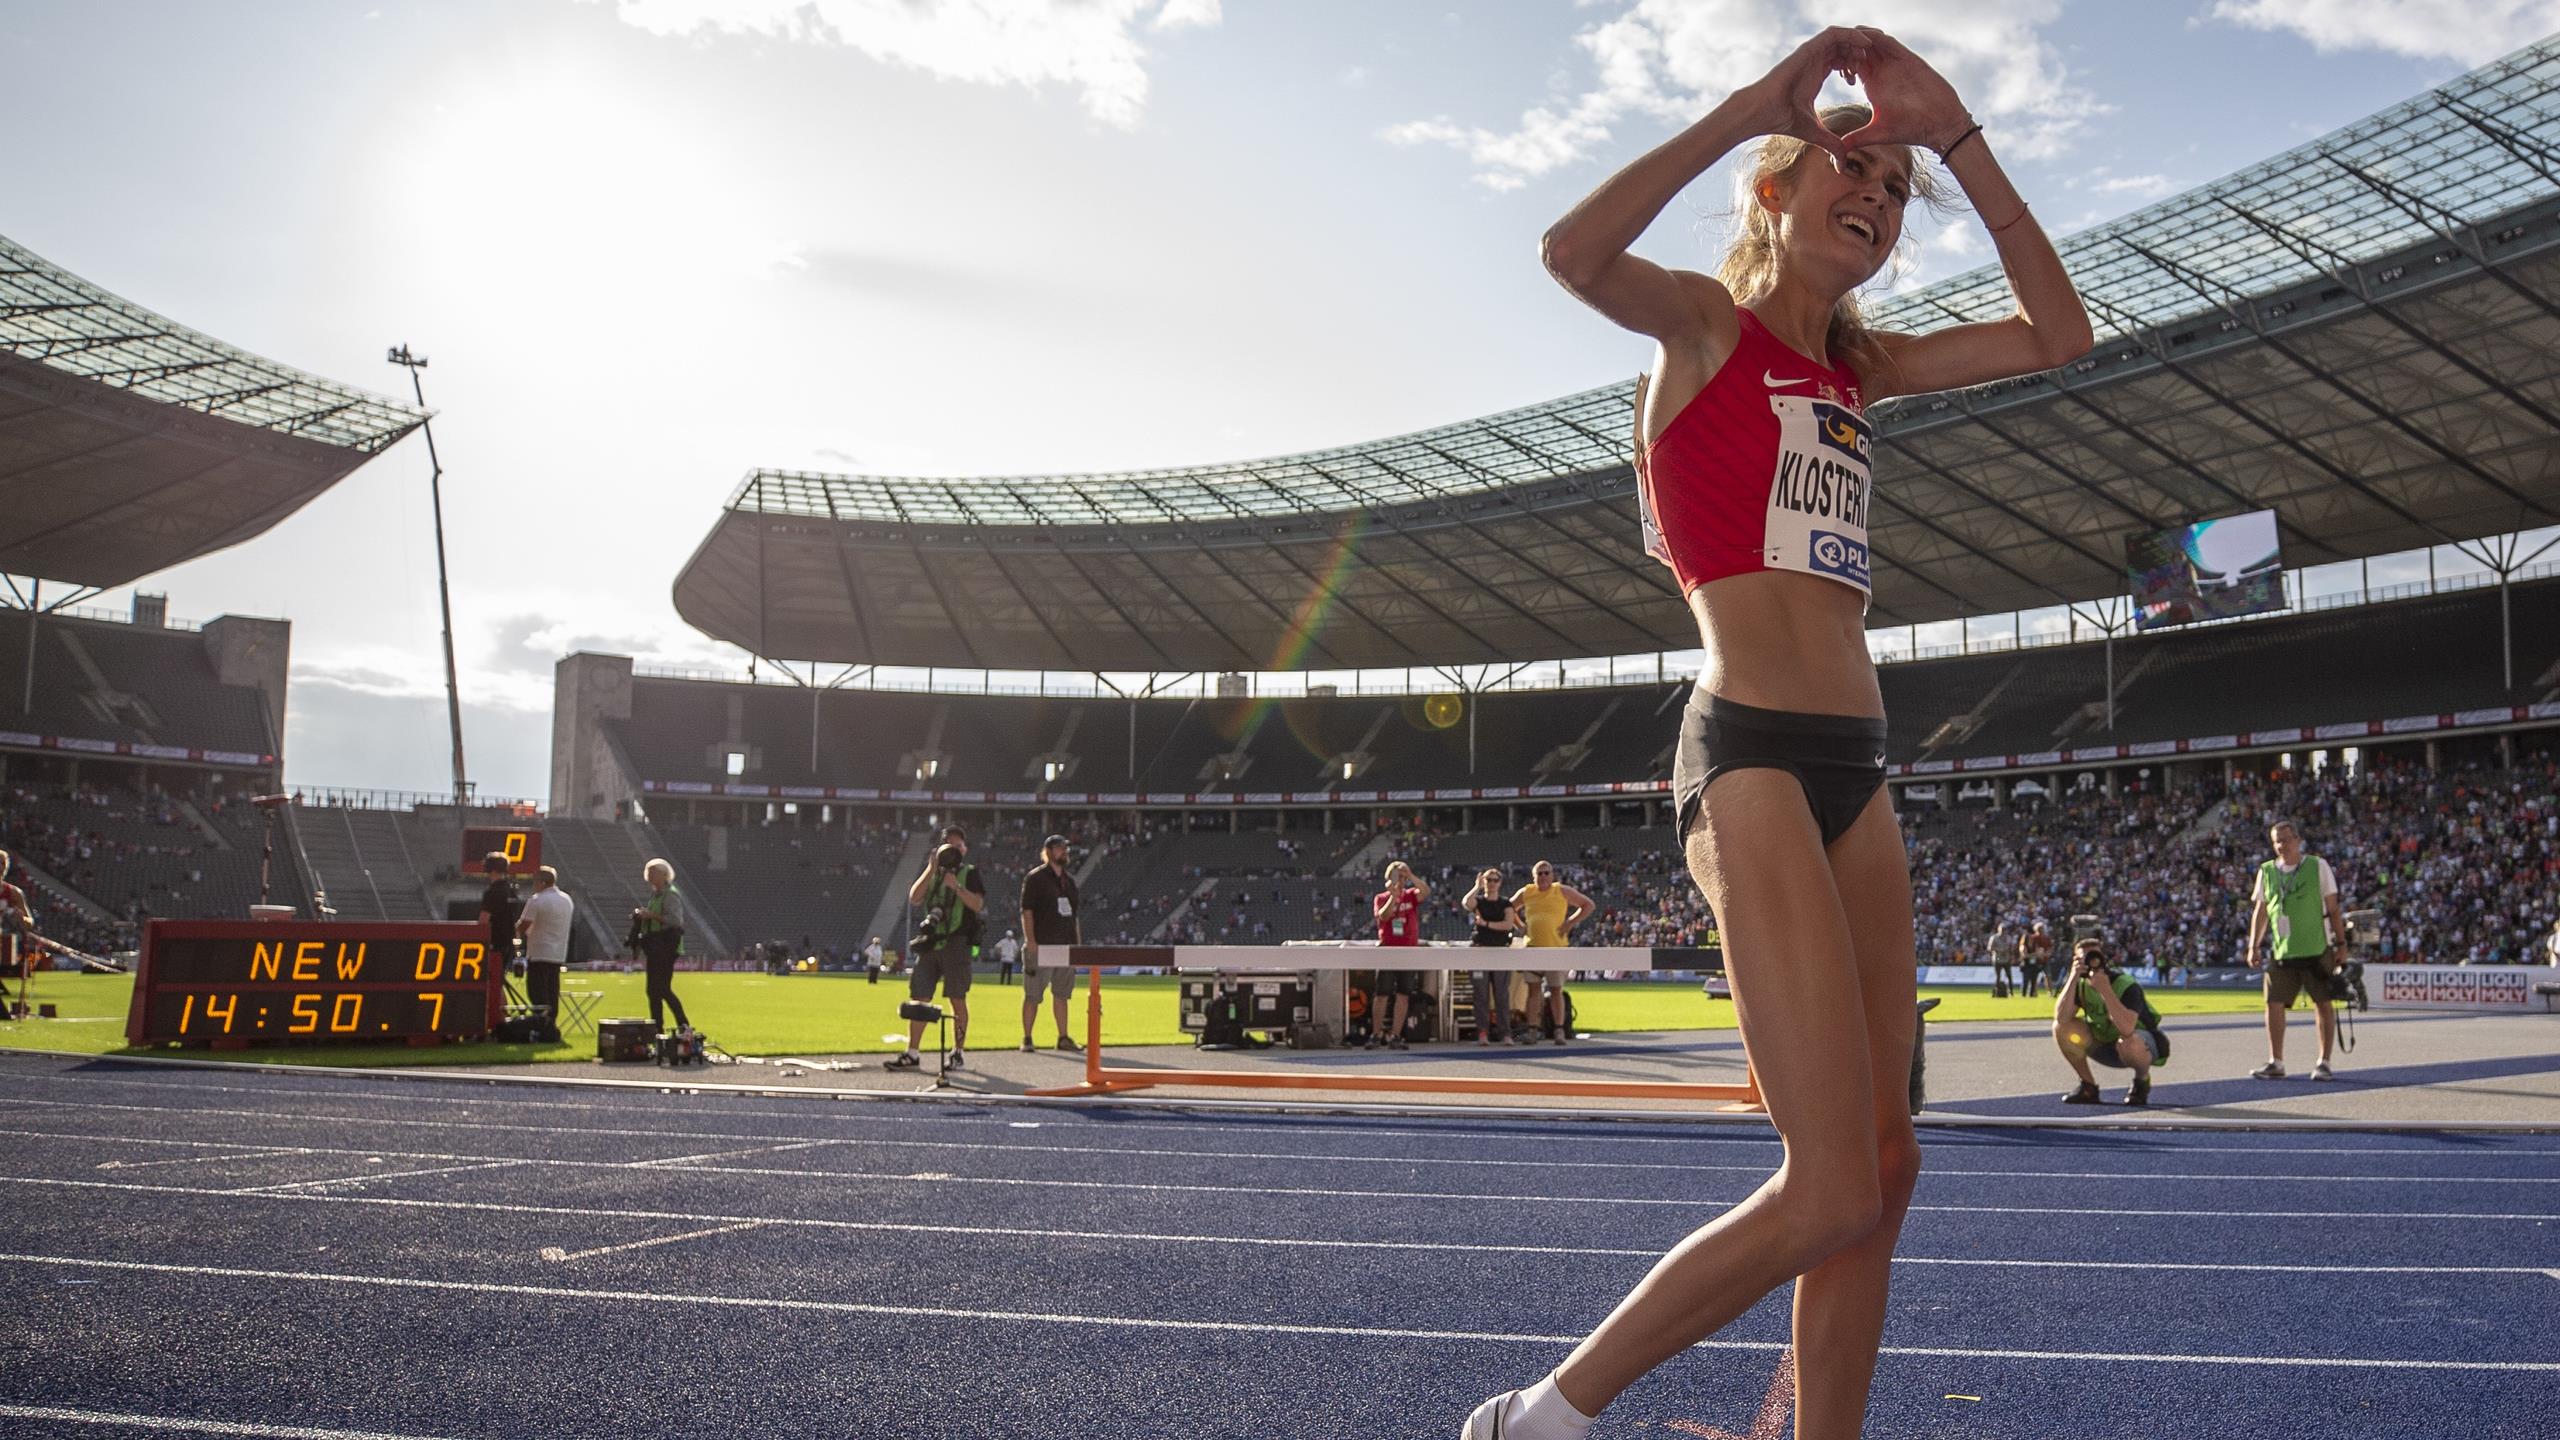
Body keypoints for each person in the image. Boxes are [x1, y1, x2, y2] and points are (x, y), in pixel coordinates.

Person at [1481, 25, 2088, 1440]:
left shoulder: (1861, 373)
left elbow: (2062, 335)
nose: (1873, 196)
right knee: (1826, 1184)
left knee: (1888, 1162)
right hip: (1747, 752)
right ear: (1776, 191)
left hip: (1854, 774)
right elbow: (1570, 255)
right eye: (1847, 170)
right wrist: (1749, 109)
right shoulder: (1704, 327)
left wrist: (1962, 143)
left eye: (1891, 184)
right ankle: (1539, 1419)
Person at [2244, 818, 2348, 1081]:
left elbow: (2333, 908)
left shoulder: (2317, 866)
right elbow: (2261, 910)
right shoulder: (2267, 871)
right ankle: (2275, 1061)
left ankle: (2324, 1061)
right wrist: (2253, 945)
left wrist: (2342, 944)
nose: (2281, 845)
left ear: (2298, 840)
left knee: (2323, 1003)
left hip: (2317, 947)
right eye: (2276, 841)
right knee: (2273, 1003)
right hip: (2282, 951)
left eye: (2286, 839)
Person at [887, 825, 982, 1071]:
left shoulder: (969, 873)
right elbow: (915, 897)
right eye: (949, 846)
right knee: (920, 997)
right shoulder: (934, 873)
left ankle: (957, 1052)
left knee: (957, 998)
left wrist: (957, 888)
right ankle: (912, 1052)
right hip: (931, 942)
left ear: (965, 849)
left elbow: (977, 905)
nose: (953, 851)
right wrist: (931, 868)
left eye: (958, 846)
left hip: (957, 941)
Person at [2053, 938, 2167, 1106]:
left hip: (2139, 1046)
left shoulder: (2125, 984)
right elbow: (2061, 1018)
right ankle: (2088, 1087)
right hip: (2103, 1043)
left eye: (2095, 956)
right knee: (2062, 1028)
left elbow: (2127, 1029)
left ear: (2104, 959)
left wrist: (2105, 990)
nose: (2091, 962)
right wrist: (2073, 976)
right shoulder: (2080, 984)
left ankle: (2141, 1081)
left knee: (2129, 1041)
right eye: (2085, 958)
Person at [1510, 861, 1593, 1045]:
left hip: (1556, 949)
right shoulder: (1527, 892)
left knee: (1556, 991)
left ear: (1552, 875)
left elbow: (1588, 905)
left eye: (1546, 873)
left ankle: (1559, 1030)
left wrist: (1569, 923)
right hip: (1532, 948)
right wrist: (1520, 926)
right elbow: (1509, 908)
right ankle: (1532, 1030)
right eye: (1539, 873)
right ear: (1534, 876)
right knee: (1533, 991)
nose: (1543, 876)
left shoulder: (1561, 890)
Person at [1018, 834, 1084, 1053]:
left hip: (1065, 946)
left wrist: (1077, 945)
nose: (1064, 851)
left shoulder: (1070, 882)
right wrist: (1031, 940)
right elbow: (1027, 911)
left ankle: (1063, 1037)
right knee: (1033, 995)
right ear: (1047, 851)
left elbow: (1074, 916)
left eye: (1065, 848)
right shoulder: (1035, 878)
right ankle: (1027, 1037)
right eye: (1059, 848)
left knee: (1062, 994)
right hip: (1042, 944)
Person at [1369, 859, 1431, 1049]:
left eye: (1403, 876)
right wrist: (1393, 896)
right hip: (1388, 949)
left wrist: (1410, 876)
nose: (1401, 880)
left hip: (1408, 950)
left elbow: (1425, 892)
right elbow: (1384, 916)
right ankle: (1376, 1034)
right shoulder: (1381, 898)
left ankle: (1396, 1034)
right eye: (1398, 876)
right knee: (1382, 994)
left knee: (1403, 994)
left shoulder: (1410, 896)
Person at [630, 858, 691, 1036]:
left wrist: (651, 915)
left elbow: (675, 921)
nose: (649, 876)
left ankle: (683, 1024)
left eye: (653, 872)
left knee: (662, 988)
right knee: (652, 990)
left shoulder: (670, 894)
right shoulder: (656, 895)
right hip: (655, 947)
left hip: (666, 946)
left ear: (664, 875)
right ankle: (656, 1029)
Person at [513, 866, 573, 1041]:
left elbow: (523, 925)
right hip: (558, 952)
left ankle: (541, 1024)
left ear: (541, 882)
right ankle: (550, 1024)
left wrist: (514, 932)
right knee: (553, 990)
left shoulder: (537, 900)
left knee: (537, 991)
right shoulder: (566, 900)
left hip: (539, 950)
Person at [1464, 868, 1521, 1044]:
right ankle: (1483, 1032)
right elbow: (1466, 903)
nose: (1492, 883)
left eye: (1495, 880)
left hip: (1500, 952)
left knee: (1502, 995)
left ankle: (1506, 1033)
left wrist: (1485, 923)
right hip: (1480, 951)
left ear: (1500, 883)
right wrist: (1476, 887)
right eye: (1489, 880)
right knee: (1480, 994)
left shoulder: (1505, 904)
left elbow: (1507, 925)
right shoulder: (1479, 901)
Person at [475, 852, 521, 975]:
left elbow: (484, 920)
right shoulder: (511, 890)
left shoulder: (492, 892)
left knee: (491, 980)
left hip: (494, 942)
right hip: (507, 941)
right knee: (499, 979)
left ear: (492, 870)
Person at [1986, 918, 2016, 998]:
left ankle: (2011, 992)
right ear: (1998, 929)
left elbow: (2011, 948)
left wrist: (2011, 955)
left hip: (2006, 959)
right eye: (2002, 929)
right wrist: (1999, 950)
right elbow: (1989, 948)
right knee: (1998, 976)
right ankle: (1996, 992)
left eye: (2004, 929)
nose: (2003, 931)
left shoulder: (2008, 938)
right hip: (1997, 959)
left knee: (2009, 976)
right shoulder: (1994, 938)